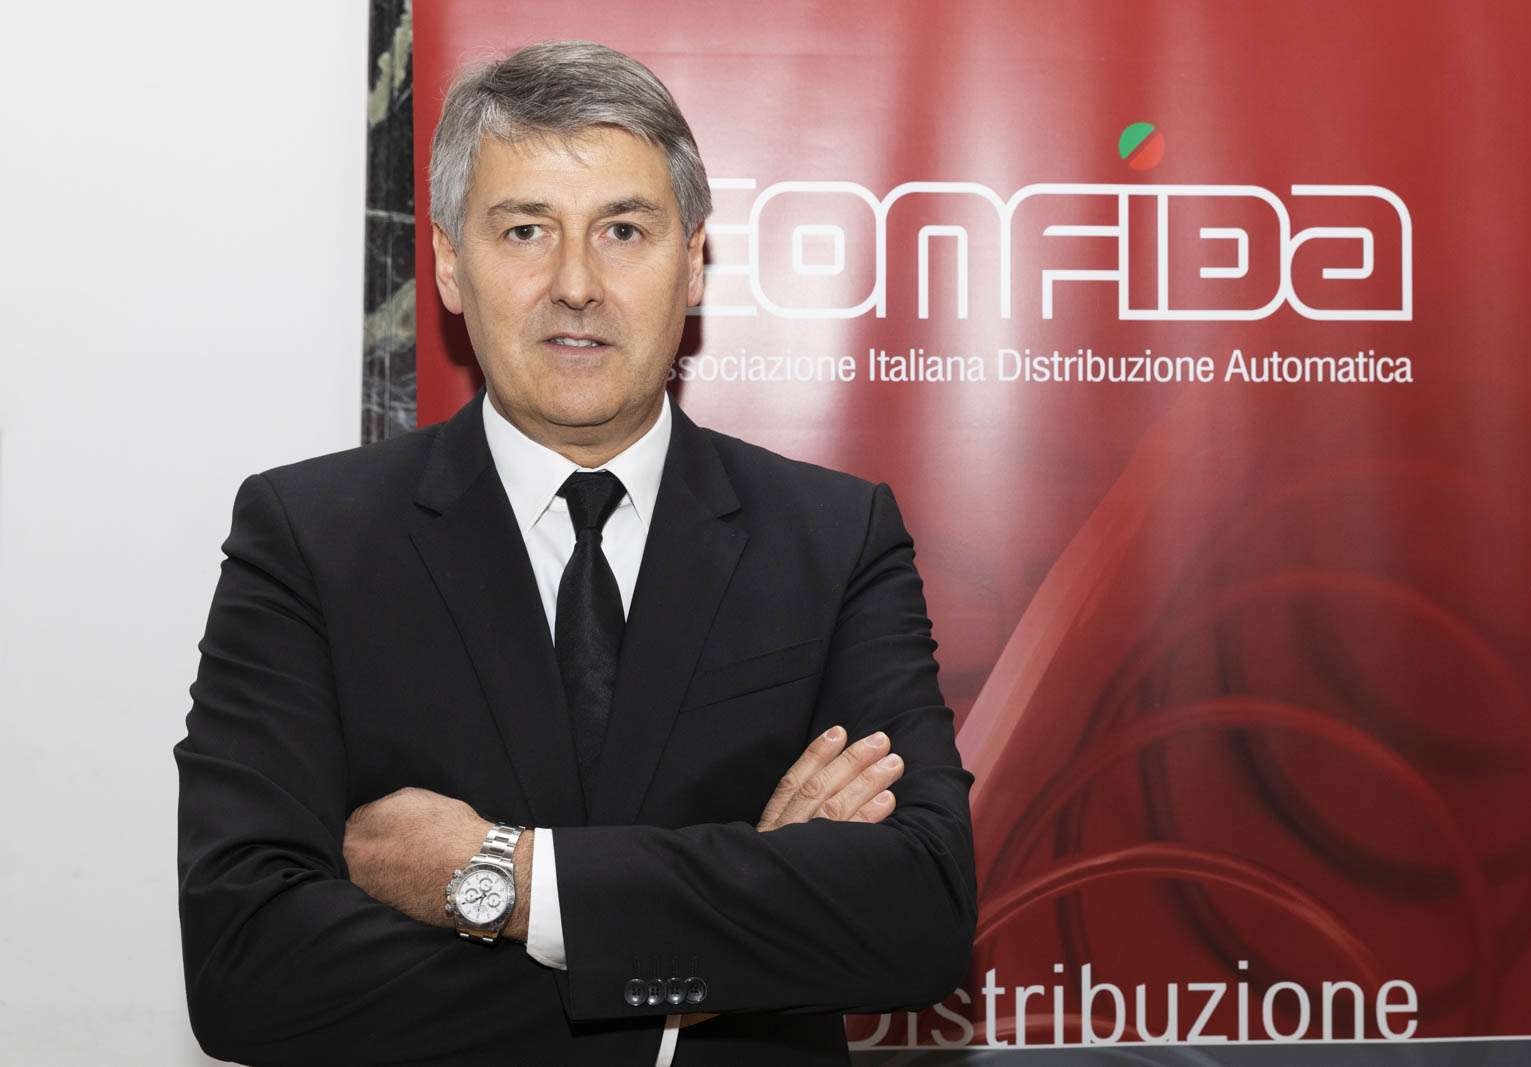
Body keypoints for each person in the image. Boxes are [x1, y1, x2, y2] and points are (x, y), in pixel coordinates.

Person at [174, 39, 975, 1065]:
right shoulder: (309, 537)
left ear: (693, 260)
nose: (576, 284)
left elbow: (919, 913)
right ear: (449, 263)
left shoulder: (833, 536)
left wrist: (509, 881)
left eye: (624, 230)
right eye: (524, 230)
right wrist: (713, 948)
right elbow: (247, 964)